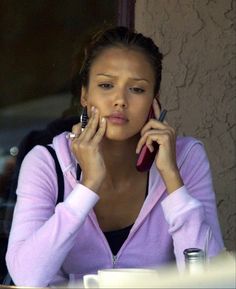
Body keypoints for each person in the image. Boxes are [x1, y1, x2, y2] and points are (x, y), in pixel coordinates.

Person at [5, 26, 224, 287]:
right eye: (106, 85)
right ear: (85, 96)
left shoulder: (186, 158)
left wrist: (172, 180)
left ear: (154, 101)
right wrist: (88, 187)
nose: (120, 100)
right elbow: (27, 277)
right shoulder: (46, 163)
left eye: (137, 89)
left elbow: (212, 281)